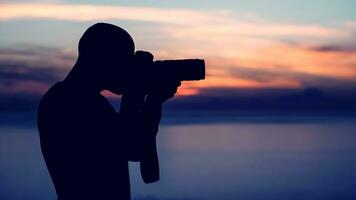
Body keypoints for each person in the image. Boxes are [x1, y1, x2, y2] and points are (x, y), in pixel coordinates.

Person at [37, 23, 180, 200]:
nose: (128, 69)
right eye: (124, 60)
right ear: (102, 59)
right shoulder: (67, 101)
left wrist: (154, 99)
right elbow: (131, 148)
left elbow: (134, 144)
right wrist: (138, 93)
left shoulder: (81, 98)